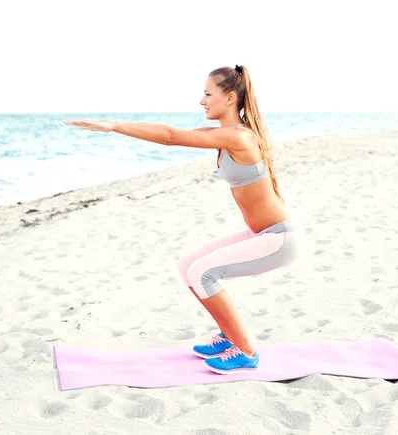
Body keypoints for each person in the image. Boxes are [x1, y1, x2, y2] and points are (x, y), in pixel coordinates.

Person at [64, 65, 305, 374]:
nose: (202, 101)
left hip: (280, 238)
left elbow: (170, 137)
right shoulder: (224, 135)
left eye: (208, 94)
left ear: (230, 98)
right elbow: (172, 134)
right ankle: (228, 336)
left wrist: (112, 125)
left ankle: (245, 350)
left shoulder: (240, 139)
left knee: (204, 272)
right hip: (260, 234)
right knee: (188, 266)